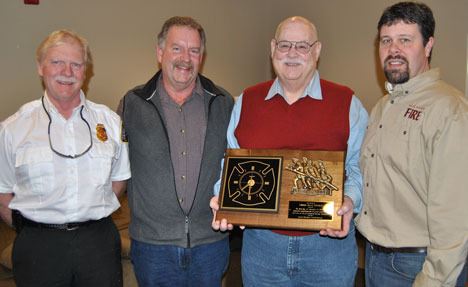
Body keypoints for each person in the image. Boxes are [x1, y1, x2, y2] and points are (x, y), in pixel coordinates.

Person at [211, 16, 368, 286]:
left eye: (302, 46)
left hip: (327, 248)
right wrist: (222, 199)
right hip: (262, 247)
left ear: (317, 51)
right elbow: (231, 164)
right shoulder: (246, 101)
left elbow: (357, 168)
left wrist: (350, 201)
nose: (292, 53)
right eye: (284, 45)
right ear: (272, 49)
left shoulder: (348, 103)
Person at [0, 29, 131, 287]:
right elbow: (3, 192)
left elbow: (118, 182)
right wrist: (32, 229)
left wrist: (88, 215)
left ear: (86, 71)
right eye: (57, 62)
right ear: (40, 67)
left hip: (98, 244)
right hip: (38, 247)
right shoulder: (13, 128)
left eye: (76, 64)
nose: (67, 72)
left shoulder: (111, 122)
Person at [355, 2, 468, 287]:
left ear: (428, 45)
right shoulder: (383, 107)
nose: (394, 50)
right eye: (386, 41)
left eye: (405, 40)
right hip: (375, 257)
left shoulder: (449, 109)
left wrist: (434, 279)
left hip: (418, 266)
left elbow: (456, 212)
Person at [119, 16, 234, 286]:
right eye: (177, 48)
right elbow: (114, 167)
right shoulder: (132, 104)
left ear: (202, 57)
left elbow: (238, 163)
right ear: (160, 53)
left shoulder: (224, 103)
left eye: (194, 51)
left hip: (210, 243)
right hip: (152, 246)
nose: (186, 58)